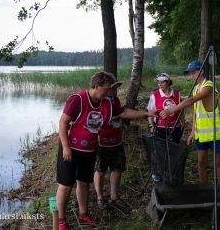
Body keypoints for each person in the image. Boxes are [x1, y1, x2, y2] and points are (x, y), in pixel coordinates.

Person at [56, 71, 115, 230]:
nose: (109, 92)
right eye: (107, 88)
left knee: (84, 183)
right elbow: (63, 123)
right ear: (96, 86)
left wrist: (146, 114)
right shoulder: (78, 99)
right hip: (70, 149)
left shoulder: (106, 102)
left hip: (89, 150)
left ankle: (83, 214)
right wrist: (66, 147)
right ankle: (61, 220)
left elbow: (122, 112)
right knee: (66, 185)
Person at [94, 77, 156, 212]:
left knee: (117, 169)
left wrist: (145, 113)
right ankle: (100, 198)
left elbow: (124, 112)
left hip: (116, 142)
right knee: (100, 170)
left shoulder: (115, 100)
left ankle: (114, 197)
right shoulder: (98, 101)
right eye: (113, 87)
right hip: (101, 143)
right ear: (106, 88)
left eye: (116, 87)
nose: (115, 90)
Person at [161, 60, 220, 185]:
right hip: (201, 133)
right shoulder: (196, 87)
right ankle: (203, 187)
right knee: (201, 162)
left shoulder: (209, 85)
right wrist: (192, 131)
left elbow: (191, 101)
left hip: (215, 132)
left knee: (218, 162)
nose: (191, 76)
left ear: (201, 71)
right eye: (190, 73)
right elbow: (196, 112)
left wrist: (171, 110)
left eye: (193, 72)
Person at [147, 73, 184, 182]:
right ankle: (158, 173)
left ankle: (172, 172)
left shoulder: (177, 94)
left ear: (168, 82)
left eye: (162, 81)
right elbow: (150, 112)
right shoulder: (155, 95)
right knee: (160, 151)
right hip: (160, 127)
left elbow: (181, 109)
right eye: (158, 82)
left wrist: (183, 121)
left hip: (175, 127)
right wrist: (151, 126)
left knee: (174, 150)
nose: (160, 84)